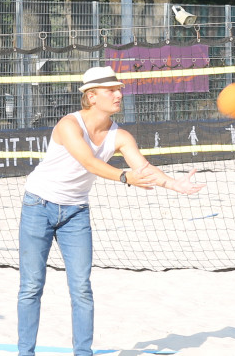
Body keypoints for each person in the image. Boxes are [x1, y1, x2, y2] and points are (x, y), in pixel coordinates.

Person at [18, 66, 204, 356]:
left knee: (81, 288)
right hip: (38, 205)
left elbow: (142, 168)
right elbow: (89, 163)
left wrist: (173, 184)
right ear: (92, 97)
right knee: (31, 287)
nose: (119, 94)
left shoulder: (120, 136)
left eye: (119, 89)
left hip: (75, 213)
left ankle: (83, 353)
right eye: (111, 90)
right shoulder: (69, 125)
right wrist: (123, 177)